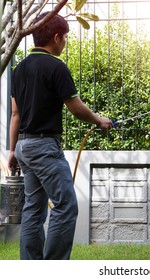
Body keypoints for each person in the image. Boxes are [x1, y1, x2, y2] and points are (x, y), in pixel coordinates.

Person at [7, 12, 113, 260]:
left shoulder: (19, 68)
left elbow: (15, 115)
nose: (65, 43)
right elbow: (76, 108)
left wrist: (13, 151)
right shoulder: (56, 67)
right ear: (56, 37)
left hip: (24, 146)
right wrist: (99, 120)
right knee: (66, 205)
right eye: (65, 37)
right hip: (44, 147)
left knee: (33, 209)